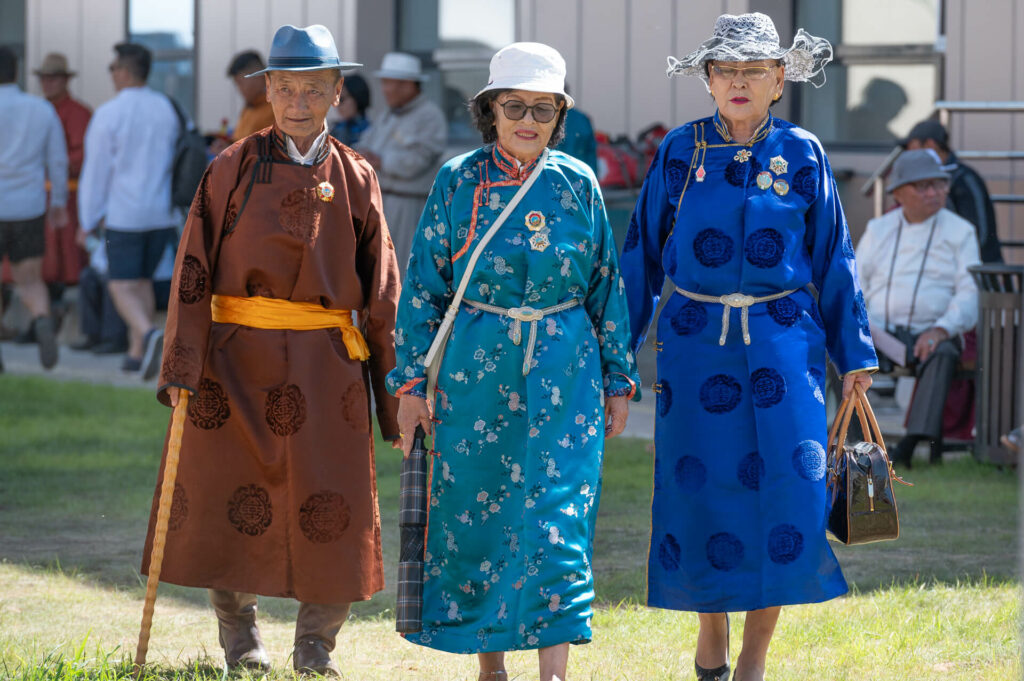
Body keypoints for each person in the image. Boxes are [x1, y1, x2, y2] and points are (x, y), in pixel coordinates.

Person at [620, 14, 877, 681]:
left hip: (786, 347)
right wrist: (618, 352)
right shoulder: (680, 151)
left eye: (753, 70)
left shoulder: (805, 152)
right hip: (694, 346)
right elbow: (641, 254)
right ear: (706, 79)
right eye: (725, 70)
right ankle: (711, 634)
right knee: (698, 491)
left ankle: (755, 659)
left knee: (789, 494)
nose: (738, 81)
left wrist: (855, 356)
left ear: (779, 80)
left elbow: (835, 258)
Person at [140, 24, 400, 677]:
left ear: (337, 91)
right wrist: (182, 365)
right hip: (234, 364)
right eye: (285, 87)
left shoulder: (357, 177)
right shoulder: (228, 168)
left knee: (334, 507)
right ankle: (241, 640)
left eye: (314, 88)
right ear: (269, 90)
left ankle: (315, 646)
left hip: (328, 370)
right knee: (233, 500)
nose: (298, 101)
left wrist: (396, 397)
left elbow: (383, 292)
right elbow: (193, 272)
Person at [388, 42, 639, 681]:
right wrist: (412, 383)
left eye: (543, 109)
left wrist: (618, 379)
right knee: (479, 516)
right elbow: (422, 288)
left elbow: (605, 284)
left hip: (568, 368)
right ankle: (490, 667)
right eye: (515, 106)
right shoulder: (457, 179)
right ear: (490, 111)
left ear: (560, 117)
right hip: (475, 371)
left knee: (561, 519)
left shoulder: (578, 183)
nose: (528, 120)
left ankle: (553, 671)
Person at [856, 149, 980, 467]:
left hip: (932, 331)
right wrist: (860, 325)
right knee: (838, 351)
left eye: (938, 185)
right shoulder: (879, 229)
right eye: (922, 186)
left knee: (945, 352)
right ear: (898, 193)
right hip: (881, 332)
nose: (933, 193)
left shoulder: (960, 231)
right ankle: (856, 442)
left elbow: (969, 292)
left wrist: (941, 328)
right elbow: (855, 283)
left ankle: (908, 446)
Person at [78, 42, 180, 378]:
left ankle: (149, 334)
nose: (111, 74)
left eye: (112, 68)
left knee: (120, 284)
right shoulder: (167, 107)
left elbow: (96, 172)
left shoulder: (109, 113)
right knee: (143, 283)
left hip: (125, 215)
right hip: (162, 212)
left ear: (123, 70)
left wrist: (87, 219)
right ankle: (138, 353)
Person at [0, 45, 69, 371]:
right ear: (16, 70)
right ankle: (42, 318)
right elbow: (57, 160)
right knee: (29, 280)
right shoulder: (40, 110)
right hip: (27, 207)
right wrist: (57, 203)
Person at [355, 53, 447, 274]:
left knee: (400, 269)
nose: (385, 89)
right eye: (384, 83)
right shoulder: (388, 114)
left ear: (408, 85)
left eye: (390, 83)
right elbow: (367, 143)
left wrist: (381, 160)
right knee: (374, 268)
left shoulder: (429, 116)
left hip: (408, 206)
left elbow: (420, 159)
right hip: (380, 201)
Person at [902, 119, 1002, 263]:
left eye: (912, 146)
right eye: (923, 187)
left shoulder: (964, 179)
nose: (931, 193)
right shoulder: (960, 177)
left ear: (930, 144)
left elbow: (980, 234)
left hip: (976, 271)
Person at [227, 50, 276, 142]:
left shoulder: (277, 108)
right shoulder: (249, 107)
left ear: (258, 76)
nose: (239, 89)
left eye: (240, 83)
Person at [555, 85, 598, 174]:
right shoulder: (583, 119)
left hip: (555, 176)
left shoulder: (548, 119)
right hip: (581, 174)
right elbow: (591, 153)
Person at [329, 73, 370, 145]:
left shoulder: (371, 131)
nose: (337, 104)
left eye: (341, 99)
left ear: (357, 97)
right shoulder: (336, 129)